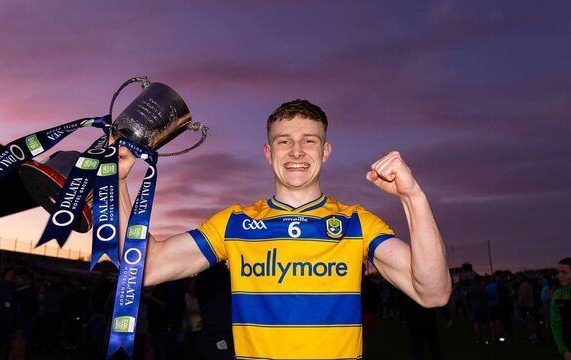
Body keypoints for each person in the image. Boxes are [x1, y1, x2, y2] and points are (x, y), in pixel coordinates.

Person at [117, 99, 451, 359]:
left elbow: (433, 292)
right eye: (283, 141)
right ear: (267, 152)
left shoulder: (356, 223)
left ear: (326, 150)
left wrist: (413, 197)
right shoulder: (234, 223)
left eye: (309, 140)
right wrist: (118, 182)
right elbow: (147, 267)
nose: (296, 152)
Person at [551, 258, 571, 360]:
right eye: (558, 272)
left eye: (564, 272)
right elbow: (556, 323)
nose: (559, 276)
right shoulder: (558, 295)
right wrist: (564, 350)